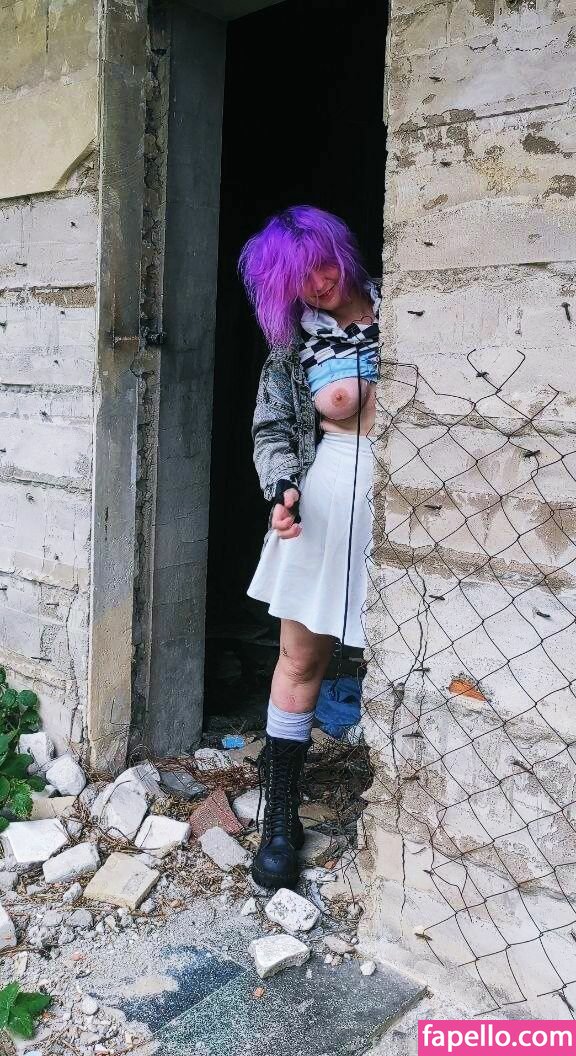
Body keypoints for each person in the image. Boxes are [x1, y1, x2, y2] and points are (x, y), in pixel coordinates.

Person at [239, 205, 379, 889]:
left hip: (416, 505)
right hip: (327, 505)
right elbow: (271, 431)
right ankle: (279, 818)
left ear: (341, 250)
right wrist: (282, 490)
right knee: (302, 659)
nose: (318, 284)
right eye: (298, 279)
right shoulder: (294, 350)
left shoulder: (408, 307)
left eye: (322, 264)